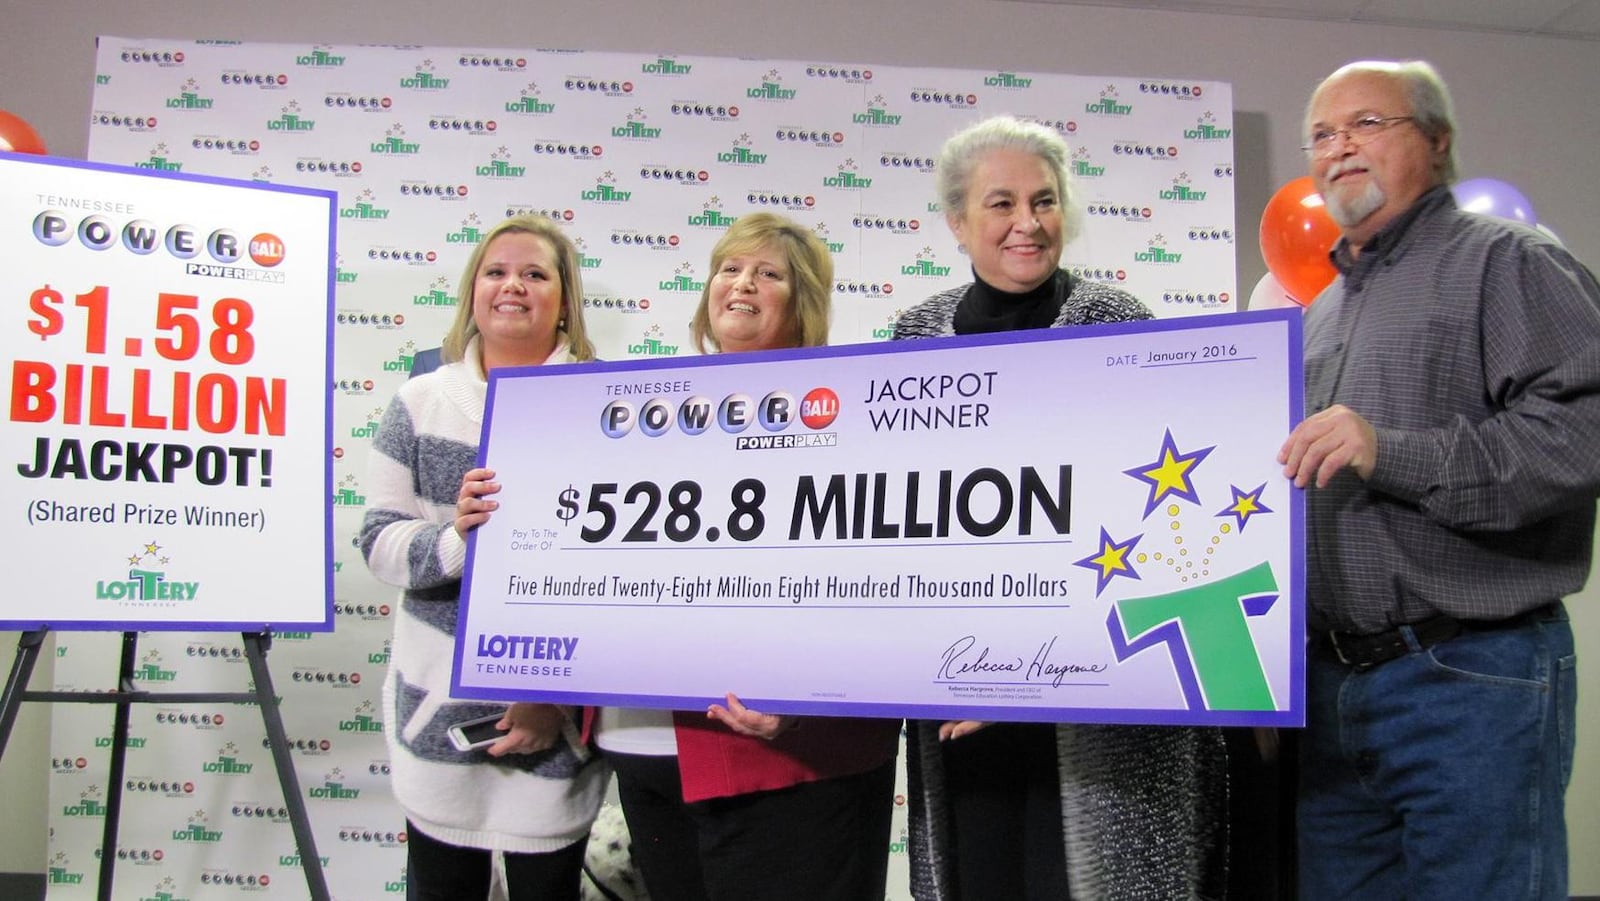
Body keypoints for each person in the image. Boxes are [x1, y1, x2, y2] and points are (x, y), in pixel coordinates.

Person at [1278, 60, 1596, 901]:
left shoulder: (1510, 263)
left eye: (1367, 124)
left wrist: (1393, 451)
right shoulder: (1321, 314)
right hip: (1333, 689)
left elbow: (1581, 437)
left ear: (1438, 140)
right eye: (1322, 134)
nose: (1339, 147)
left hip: (1467, 676)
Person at [892, 115, 1229, 901]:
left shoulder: (1117, 321)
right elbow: (910, 526)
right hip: (959, 699)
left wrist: (1017, 671)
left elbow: (1156, 523)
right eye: (1001, 203)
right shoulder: (917, 334)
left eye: (1044, 201)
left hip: (1100, 694)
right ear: (957, 221)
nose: (1028, 223)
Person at [596, 212, 901, 901]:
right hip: (645, 748)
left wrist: (808, 693)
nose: (741, 283)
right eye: (729, 268)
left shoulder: (858, 412)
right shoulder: (640, 406)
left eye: (768, 273)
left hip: (782, 759)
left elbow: (885, 580)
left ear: (806, 303)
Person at [360, 215, 607, 901]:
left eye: (535, 274)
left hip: (556, 731)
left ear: (565, 299)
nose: (513, 287)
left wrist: (551, 699)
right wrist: (460, 541)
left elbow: (620, 581)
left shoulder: (608, 404)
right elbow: (379, 540)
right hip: (437, 720)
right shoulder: (418, 402)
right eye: (497, 272)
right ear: (473, 291)